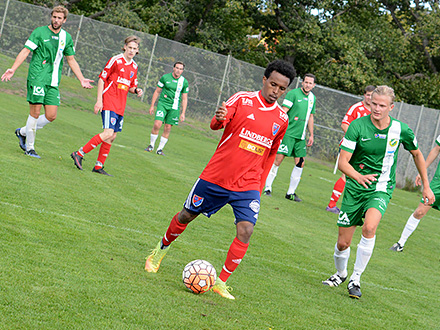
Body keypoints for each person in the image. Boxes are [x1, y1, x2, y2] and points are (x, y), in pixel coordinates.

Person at [144, 60, 296, 300]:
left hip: (248, 185)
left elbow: (270, 155)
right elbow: (217, 125)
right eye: (273, 84)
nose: (275, 91)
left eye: (282, 88)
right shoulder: (242, 100)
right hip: (216, 177)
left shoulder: (282, 119)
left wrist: (259, 186)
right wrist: (219, 118)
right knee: (186, 215)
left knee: (246, 230)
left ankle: (221, 282)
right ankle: (158, 251)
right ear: (264, 80)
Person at [322, 86, 434, 299]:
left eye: (382, 105)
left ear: (391, 107)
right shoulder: (357, 126)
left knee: (370, 227)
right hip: (355, 188)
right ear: (369, 102)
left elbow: (417, 154)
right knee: (343, 243)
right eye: (374, 103)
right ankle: (341, 273)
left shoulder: (400, 129)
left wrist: (426, 185)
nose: (377, 108)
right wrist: (358, 177)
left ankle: (356, 278)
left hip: (381, 188)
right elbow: (343, 162)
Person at [1, 5, 93, 158]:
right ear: (51, 17)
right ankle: (30, 148)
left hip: (53, 81)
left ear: (64, 20)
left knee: (51, 115)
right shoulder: (39, 32)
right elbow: (26, 50)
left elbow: (71, 59)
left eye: (59, 18)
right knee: (35, 113)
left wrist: (81, 79)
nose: (56, 20)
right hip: (37, 76)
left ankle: (22, 132)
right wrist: (13, 68)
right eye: (54, 17)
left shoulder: (66, 37)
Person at [70, 36, 142, 176]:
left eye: (135, 49)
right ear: (125, 47)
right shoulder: (116, 60)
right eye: (130, 48)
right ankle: (79, 153)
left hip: (121, 105)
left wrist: (137, 90)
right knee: (107, 132)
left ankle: (98, 166)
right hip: (109, 100)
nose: (132, 51)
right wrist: (99, 100)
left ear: (137, 51)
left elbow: (131, 86)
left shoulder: (134, 66)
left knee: (112, 136)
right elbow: (102, 78)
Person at [263, 73, 316, 202]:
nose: (308, 85)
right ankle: (267, 188)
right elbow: (283, 111)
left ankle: (290, 193)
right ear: (302, 82)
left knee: (300, 163)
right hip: (288, 134)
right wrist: (276, 128)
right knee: (277, 160)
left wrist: (311, 134)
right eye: (306, 82)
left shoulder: (312, 98)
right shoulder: (293, 94)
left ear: (314, 85)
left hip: (300, 137)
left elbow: (310, 116)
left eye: (310, 83)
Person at [326, 85, 376, 214]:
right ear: (364, 95)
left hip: (365, 150)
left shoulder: (376, 112)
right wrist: (356, 139)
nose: (369, 98)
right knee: (346, 175)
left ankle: (356, 208)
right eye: (368, 95)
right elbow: (344, 124)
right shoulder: (356, 108)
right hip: (351, 147)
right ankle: (332, 205)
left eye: (372, 95)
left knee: (361, 176)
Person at [390, 136, 440, 252]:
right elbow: (437, 149)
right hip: (438, 183)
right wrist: (423, 170)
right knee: (420, 211)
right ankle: (400, 243)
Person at [144, 62, 189, 156]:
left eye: (181, 69)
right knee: (157, 124)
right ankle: (151, 145)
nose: (178, 70)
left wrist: (183, 112)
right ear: (173, 68)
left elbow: (184, 98)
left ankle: (160, 149)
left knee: (168, 127)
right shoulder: (165, 77)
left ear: (183, 71)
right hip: (163, 104)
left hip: (174, 107)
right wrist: (152, 105)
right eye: (177, 68)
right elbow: (157, 91)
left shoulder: (184, 82)